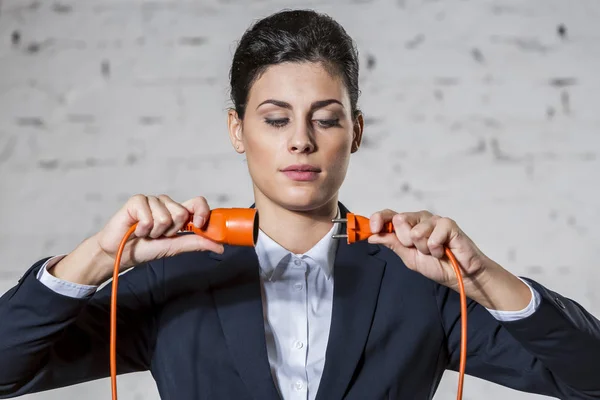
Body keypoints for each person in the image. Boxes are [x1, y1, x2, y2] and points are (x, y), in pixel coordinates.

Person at [1, 9, 599, 400]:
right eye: (275, 118)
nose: (300, 141)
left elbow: (590, 377)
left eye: (326, 119)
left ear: (356, 132)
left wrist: (484, 278)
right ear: (238, 131)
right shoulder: (173, 278)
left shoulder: (418, 284)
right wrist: (97, 258)